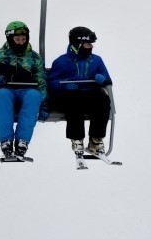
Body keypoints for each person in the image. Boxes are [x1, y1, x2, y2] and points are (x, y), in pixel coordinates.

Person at [0, 21, 48, 159]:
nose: (21, 43)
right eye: (17, 40)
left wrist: (45, 104)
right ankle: (6, 140)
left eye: (23, 39)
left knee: (34, 95)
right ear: (10, 39)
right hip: (7, 91)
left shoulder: (34, 58)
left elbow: (42, 82)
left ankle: (23, 140)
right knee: (2, 94)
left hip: (27, 91)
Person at [48, 26, 112, 155]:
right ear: (78, 44)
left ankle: (96, 139)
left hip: (89, 95)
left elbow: (107, 79)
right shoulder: (62, 61)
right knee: (74, 101)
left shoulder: (96, 60)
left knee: (103, 100)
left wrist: (103, 80)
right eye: (88, 44)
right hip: (68, 97)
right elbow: (51, 82)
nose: (91, 47)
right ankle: (77, 138)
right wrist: (64, 86)